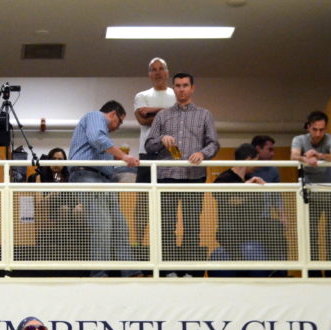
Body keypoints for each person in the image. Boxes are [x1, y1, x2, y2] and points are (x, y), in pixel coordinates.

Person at [144, 72, 220, 265]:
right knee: (166, 224)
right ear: (173, 88)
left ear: (192, 88)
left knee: (192, 224)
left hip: (193, 175)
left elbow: (214, 144)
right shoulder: (163, 115)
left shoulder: (204, 114)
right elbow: (149, 145)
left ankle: (189, 268)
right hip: (166, 175)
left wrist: (203, 154)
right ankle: (166, 267)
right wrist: (161, 140)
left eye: (185, 85)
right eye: (177, 86)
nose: (181, 89)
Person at [68, 100, 139, 269]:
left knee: (120, 225)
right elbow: (97, 139)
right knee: (102, 224)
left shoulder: (107, 141)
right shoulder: (94, 116)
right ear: (112, 114)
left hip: (103, 179)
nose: (118, 126)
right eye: (119, 122)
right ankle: (100, 273)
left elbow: (108, 163)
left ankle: (129, 270)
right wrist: (124, 156)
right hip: (86, 174)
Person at [212, 143, 286, 261]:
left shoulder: (251, 178)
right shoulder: (225, 177)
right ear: (248, 159)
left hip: (249, 227)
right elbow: (218, 194)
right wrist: (245, 187)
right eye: (256, 160)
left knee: (275, 225)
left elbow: (257, 207)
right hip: (229, 229)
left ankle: (277, 269)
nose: (258, 165)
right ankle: (239, 265)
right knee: (226, 233)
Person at [290, 111, 331, 261]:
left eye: (322, 129)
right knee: (311, 233)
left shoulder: (330, 139)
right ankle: (312, 269)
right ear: (308, 127)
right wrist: (305, 158)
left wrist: (319, 156)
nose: (318, 133)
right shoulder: (299, 139)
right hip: (311, 195)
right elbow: (293, 156)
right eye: (315, 129)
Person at [133, 57, 175, 240]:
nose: (157, 72)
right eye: (153, 69)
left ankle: (166, 245)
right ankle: (140, 243)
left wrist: (154, 110)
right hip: (147, 152)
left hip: (173, 153)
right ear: (149, 74)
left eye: (161, 69)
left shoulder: (176, 94)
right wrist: (170, 112)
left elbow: (181, 120)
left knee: (168, 201)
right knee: (143, 200)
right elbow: (142, 120)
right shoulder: (141, 96)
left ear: (167, 72)